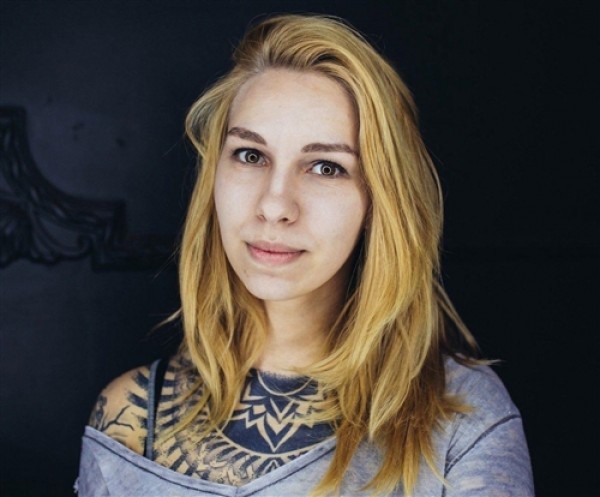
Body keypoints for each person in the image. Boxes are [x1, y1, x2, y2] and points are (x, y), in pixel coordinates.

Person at [76, 14, 534, 497]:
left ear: (380, 200)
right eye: (250, 155)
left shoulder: (461, 417)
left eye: (325, 167)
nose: (275, 205)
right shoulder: (128, 418)